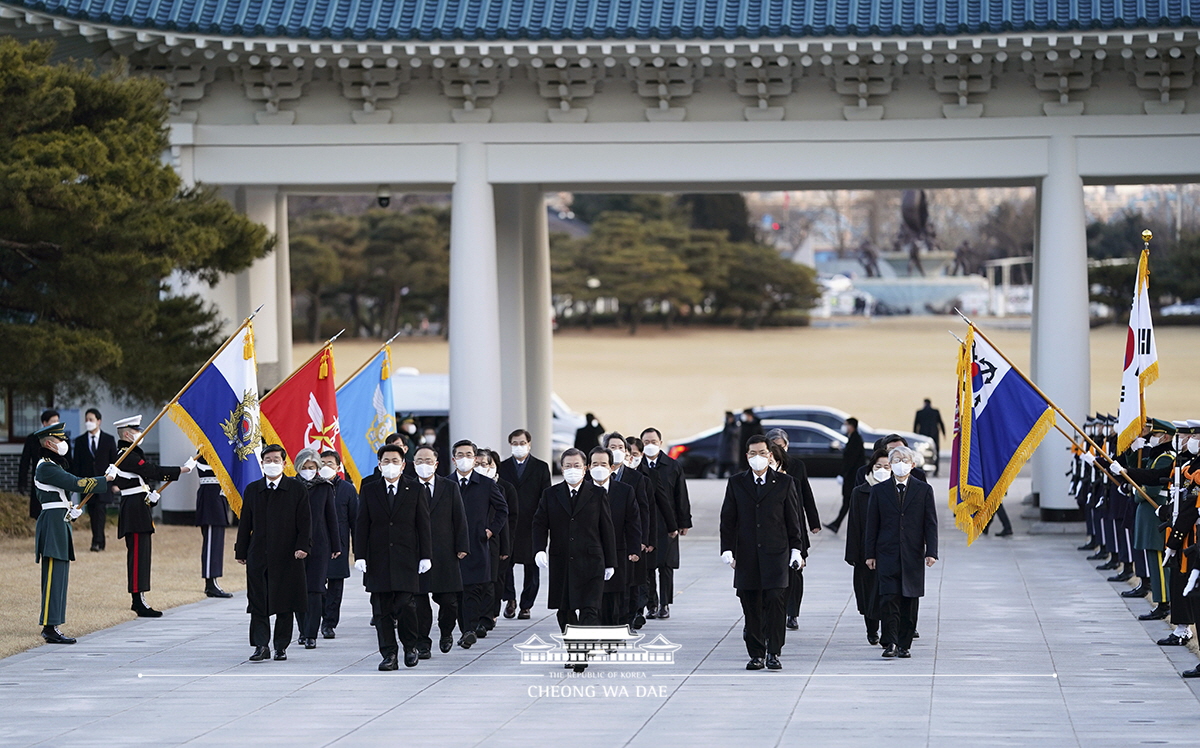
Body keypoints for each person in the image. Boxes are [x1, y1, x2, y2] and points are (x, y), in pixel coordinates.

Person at [719, 435, 804, 671]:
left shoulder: (785, 483)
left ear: (770, 455)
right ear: (747, 456)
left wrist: (797, 549)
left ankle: (774, 652)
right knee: (751, 605)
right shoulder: (737, 483)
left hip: (776, 554)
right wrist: (727, 548)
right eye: (753, 454)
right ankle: (756, 653)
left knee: (776, 602)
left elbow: (792, 520)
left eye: (763, 453)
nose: (758, 458)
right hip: (746, 556)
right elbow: (728, 519)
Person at [107, 415, 194, 618]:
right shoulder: (127, 455)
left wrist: (150, 496)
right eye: (137, 431)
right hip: (134, 512)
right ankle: (138, 602)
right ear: (128, 434)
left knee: (142, 556)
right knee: (138, 556)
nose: (140, 434)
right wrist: (183, 469)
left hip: (139, 507)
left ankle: (140, 598)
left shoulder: (131, 453)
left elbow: (138, 481)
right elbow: (151, 470)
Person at [355, 444, 432, 670]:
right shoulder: (369, 489)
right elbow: (362, 525)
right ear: (379, 465)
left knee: (406, 605)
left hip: (406, 558)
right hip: (378, 559)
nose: (390, 465)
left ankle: (410, 647)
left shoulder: (415, 489)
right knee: (381, 610)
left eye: (395, 461)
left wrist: (425, 555)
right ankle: (389, 654)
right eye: (386, 461)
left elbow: (423, 524)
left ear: (403, 464)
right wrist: (359, 555)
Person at [32, 421, 107, 644]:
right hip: (53, 524)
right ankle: (49, 626)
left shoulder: (54, 465)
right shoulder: (46, 466)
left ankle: (55, 623)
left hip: (60, 521)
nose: (63, 443)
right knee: (53, 575)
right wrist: (105, 479)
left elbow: (62, 493)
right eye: (59, 440)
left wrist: (70, 509)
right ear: (48, 443)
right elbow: (75, 483)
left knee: (61, 575)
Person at [235, 444, 311, 662]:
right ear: (261, 463)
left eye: (276, 459)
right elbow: (245, 523)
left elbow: (305, 522)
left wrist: (303, 546)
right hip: (259, 553)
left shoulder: (296, 489)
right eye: (267, 459)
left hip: (288, 555)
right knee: (258, 602)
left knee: (285, 602)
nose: (272, 463)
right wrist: (241, 550)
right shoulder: (253, 489)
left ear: (284, 463)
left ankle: (281, 646)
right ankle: (261, 645)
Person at [532, 448, 616, 641]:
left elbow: (607, 529)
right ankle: (573, 646)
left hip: (591, 561)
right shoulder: (550, 494)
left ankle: (582, 648)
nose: (572, 469)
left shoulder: (597, 494)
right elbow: (539, 524)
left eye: (576, 465)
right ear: (561, 469)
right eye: (568, 466)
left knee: (590, 609)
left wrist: (611, 562)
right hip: (562, 561)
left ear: (585, 468)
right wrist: (538, 550)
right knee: (564, 611)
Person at [865, 446, 938, 659]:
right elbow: (872, 524)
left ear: (912, 465)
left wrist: (931, 551)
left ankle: (905, 644)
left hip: (913, 554)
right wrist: (870, 553)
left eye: (904, 460)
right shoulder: (879, 491)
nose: (900, 463)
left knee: (909, 600)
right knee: (889, 599)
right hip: (887, 553)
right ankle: (891, 642)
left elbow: (930, 523)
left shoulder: (923, 490)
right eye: (896, 460)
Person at [450, 440, 508, 647]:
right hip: (452, 547)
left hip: (477, 544)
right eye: (460, 454)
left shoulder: (486, 484)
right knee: (456, 593)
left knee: (473, 590)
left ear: (475, 460)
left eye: (468, 455)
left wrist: (491, 529)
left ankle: (469, 630)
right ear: (453, 459)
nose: (464, 458)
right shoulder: (447, 483)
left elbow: (502, 509)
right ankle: (460, 628)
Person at [413, 444, 468, 658]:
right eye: (419, 461)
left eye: (428, 461)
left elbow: (459, 518)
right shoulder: (409, 487)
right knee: (419, 603)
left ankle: (446, 632)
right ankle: (422, 642)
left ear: (436, 464)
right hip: (417, 553)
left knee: (449, 601)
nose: (424, 465)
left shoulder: (449, 487)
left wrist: (462, 546)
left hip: (445, 552)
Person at [765, 430, 820, 631]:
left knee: (796, 571)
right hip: (771, 528)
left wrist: (813, 521)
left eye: (781, 445)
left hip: (795, 524)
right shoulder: (761, 466)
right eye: (773, 445)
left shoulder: (797, 466)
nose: (778, 449)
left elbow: (806, 493)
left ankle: (792, 612)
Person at [497, 429, 552, 620]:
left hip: (532, 522)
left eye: (522, 443)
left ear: (529, 444)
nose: (518, 446)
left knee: (532, 565)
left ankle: (526, 604)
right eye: (514, 443)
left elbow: (546, 495)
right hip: (509, 522)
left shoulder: (541, 467)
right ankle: (510, 599)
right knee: (505, 562)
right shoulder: (502, 467)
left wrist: (544, 519)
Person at [292, 448, 342, 649]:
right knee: (298, 590)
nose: (308, 470)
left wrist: (336, 544)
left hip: (320, 544)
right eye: (304, 467)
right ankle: (302, 630)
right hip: (295, 545)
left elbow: (332, 517)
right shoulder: (291, 486)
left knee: (315, 589)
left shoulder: (325, 487)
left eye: (312, 467)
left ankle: (311, 633)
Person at [640, 427, 691, 620]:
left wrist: (683, 521)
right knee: (648, 566)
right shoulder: (639, 467)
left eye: (653, 442)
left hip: (668, 523)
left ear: (660, 443)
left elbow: (681, 495)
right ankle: (651, 604)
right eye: (646, 442)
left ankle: (665, 604)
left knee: (666, 566)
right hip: (647, 522)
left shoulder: (672, 465)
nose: (650, 446)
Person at [587, 446, 640, 626]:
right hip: (589, 552)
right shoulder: (583, 491)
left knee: (616, 597)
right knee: (593, 596)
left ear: (611, 467)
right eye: (595, 464)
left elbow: (633, 522)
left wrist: (634, 549)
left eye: (603, 464)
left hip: (618, 550)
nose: (599, 467)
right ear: (588, 467)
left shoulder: (625, 491)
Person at [846, 448, 889, 646]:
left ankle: (889, 632)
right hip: (865, 553)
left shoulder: (896, 491)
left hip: (889, 551)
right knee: (867, 593)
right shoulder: (860, 492)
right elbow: (853, 524)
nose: (882, 470)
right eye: (878, 466)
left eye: (887, 466)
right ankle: (872, 628)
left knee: (887, 594)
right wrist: (853, 554)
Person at [319, 450, 358, 639]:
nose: (326, 467)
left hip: (339, 544)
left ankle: (329, 623)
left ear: (338, 467)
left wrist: (359, 552)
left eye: (330, 464)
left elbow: (355, 521)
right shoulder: (312, 487)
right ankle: (316, 617)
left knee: (335, 586)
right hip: (316, 544)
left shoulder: (348, 489)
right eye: (322, 463)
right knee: (315, 585)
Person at [475, 448, 514, 633]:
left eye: (486, 464)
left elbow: (507, 519)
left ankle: (488, 616)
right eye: (478, 464)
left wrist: (505, 546)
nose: (482, 467)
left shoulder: (501, 488)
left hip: (494, 541)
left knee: (492, 581)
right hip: (472, 541)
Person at [73, 408, 118, 552]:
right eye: (86, 420)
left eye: (91, 420)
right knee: (92, 511)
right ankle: (98, 540)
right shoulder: (80, 441)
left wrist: (115, 483)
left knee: (100, 510)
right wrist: (76, 483)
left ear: (99, 421)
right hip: (87, 483)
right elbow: (77, 463)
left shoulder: (109, 439)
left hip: (104, 482)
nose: (88, 422)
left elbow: (114, 462)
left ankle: (97, 542)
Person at [193, 456, 233, 598]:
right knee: (211, 543)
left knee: (216, 542)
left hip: (217, 498)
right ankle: (210, 583)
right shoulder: (205, 453)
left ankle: (213, 581)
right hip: (210, 498)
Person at [20, 409, 62, 520]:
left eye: (57, 421)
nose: (56, 423)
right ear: (44, 423)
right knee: (39, 513)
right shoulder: (33, 439)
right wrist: (22, 484)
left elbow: (69, 462)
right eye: (53, 421)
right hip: (39, 481)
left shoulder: (61, 439)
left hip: (57, 481)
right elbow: (25, 462)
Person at [825, 417, 865, 533]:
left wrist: (843, 474)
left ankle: (838, 524)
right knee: (848, 502)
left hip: (852, 478)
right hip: (850, 477)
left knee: (850, 502)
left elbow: (851, 460)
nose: (844, 427)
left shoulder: (856, 439)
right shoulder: (852, 438)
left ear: (851, 426)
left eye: (846, 424)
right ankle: (836, 524)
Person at [913, 399, 946, 477]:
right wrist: (944, 434)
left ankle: (923, 470)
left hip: (923, 435)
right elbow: (941, 423)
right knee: (936, 452)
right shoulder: (935, 412)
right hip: (934, 434)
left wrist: (915, 435)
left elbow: (916, 425)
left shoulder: (920, 412)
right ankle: (936, 471)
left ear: (924, 403)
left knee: (922, 452)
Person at [716, 411, 741, 478]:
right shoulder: (726, 427)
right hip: (723, 455)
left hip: (731, 455)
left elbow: (733, 433)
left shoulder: (735, 427)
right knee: (720, 474)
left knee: (733, 474)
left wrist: (729, 424)